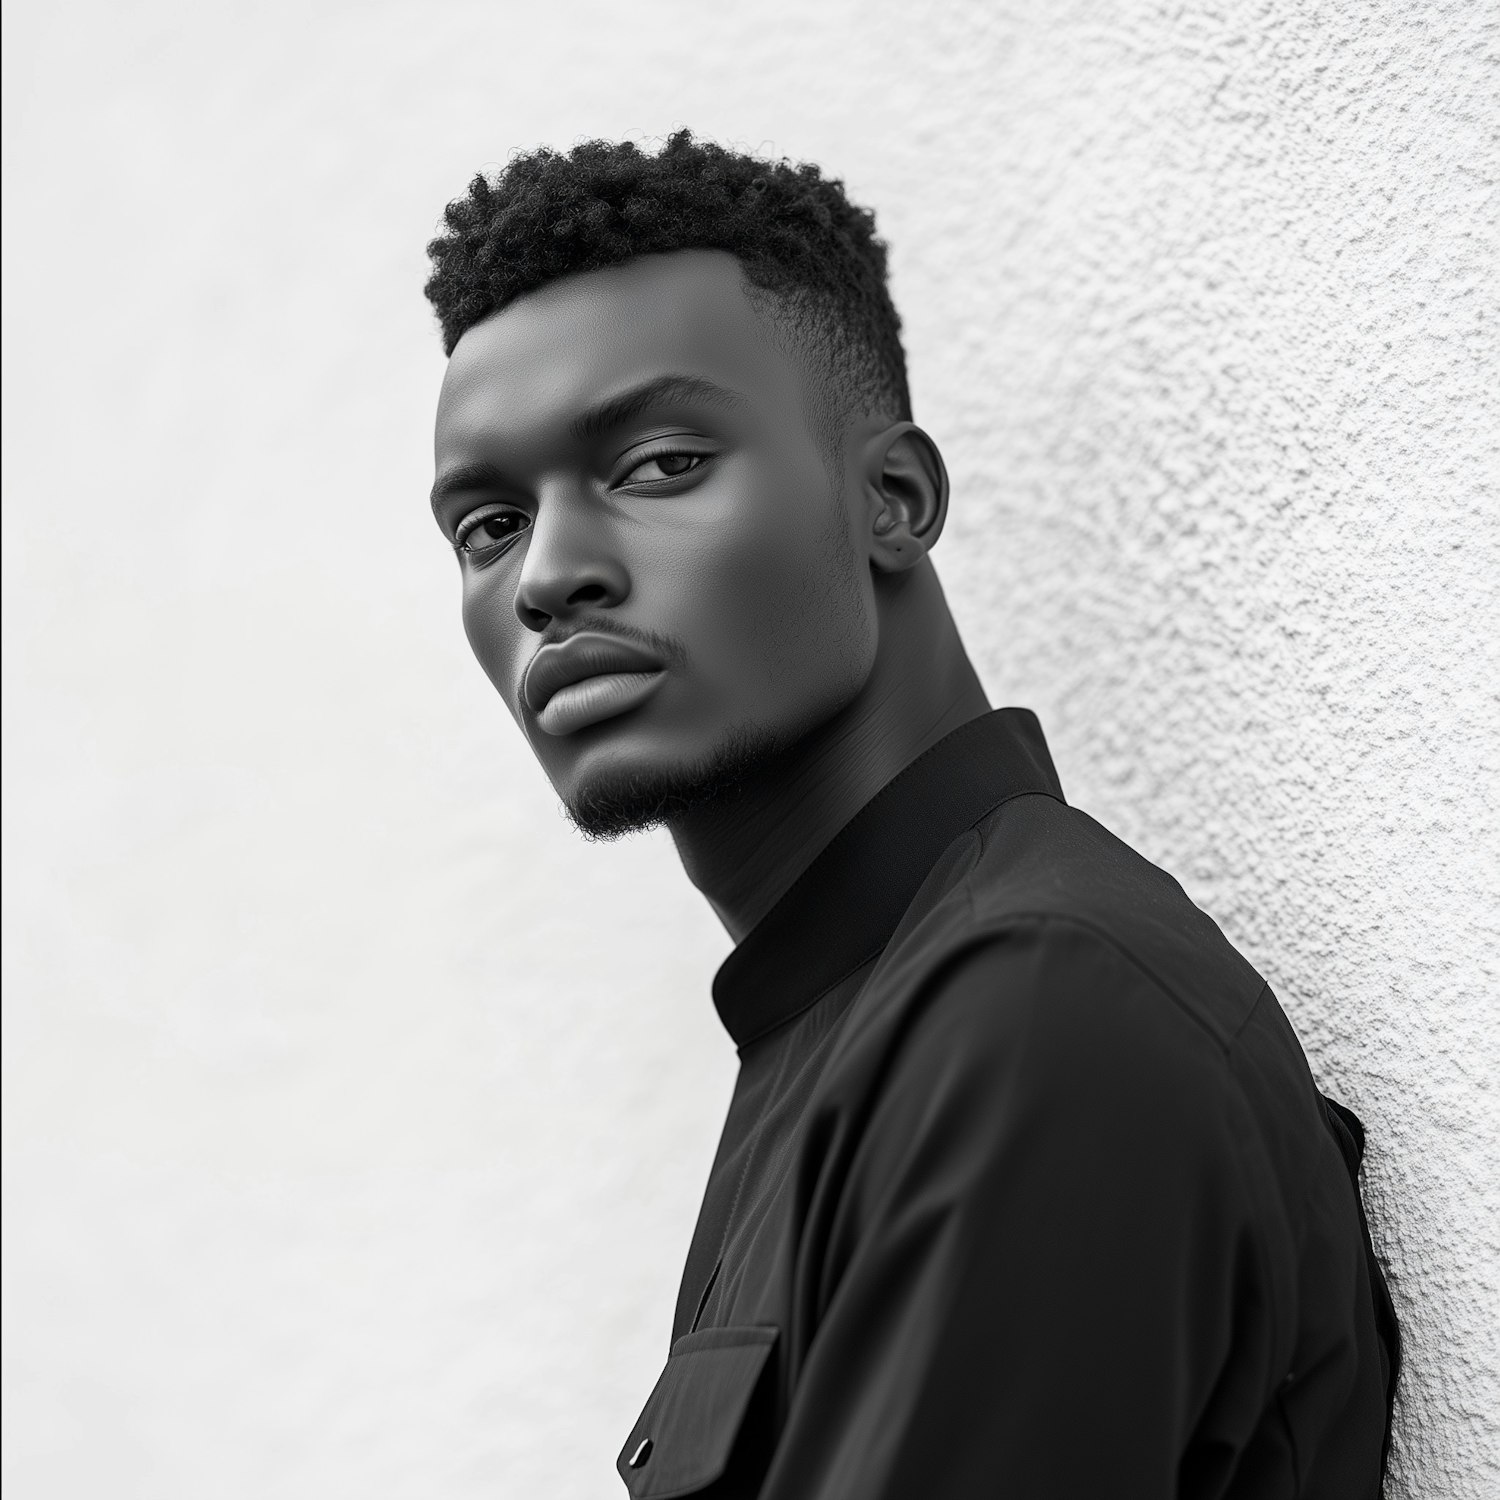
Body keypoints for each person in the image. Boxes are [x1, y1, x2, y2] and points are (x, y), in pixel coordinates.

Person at [423, 130, 1399, 1498]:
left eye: (656, 464)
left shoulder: (1033, 1009)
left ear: (893, 500)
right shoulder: (849, 1024)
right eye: (487, 526)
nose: (546, 577)